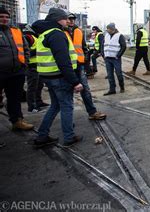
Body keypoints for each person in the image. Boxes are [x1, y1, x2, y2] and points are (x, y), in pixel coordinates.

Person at [32, 8, 83, 147]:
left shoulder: (44, 33)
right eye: (65, 18)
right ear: (57, 19)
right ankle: (69, 136)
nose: (68, 21)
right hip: (59, 77)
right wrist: (75, 82)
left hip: (48, 76)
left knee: (55, 106)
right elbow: (63, 60)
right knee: (67, 106)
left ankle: (42, 136)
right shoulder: (57, 34)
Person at [65, 14, 106, 120]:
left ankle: (92, 112)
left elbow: (83, 48)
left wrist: (86, 63)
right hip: (66, 66)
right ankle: (67, 122)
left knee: (85, 89)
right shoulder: (60, 31)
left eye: (73, 19)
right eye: (69, 19)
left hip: (79, 65)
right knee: (67, 93)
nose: (72, 21)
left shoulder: (78, 31)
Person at [0, 7, 34, 130]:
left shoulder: (15, 31)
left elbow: (25, 48)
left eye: (6, 17)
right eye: (1, 16)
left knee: (14, 98)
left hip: (16, 72)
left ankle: (17, 121)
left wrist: (24, 63)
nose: (4, 19)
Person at [22, 24, 48, 112]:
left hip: (38, 66)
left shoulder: (35, 37)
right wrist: (38, 51)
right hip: (32, 66)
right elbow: (25, 51)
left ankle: (38, 102)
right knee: (32, 87)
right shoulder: (28, 37)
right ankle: (32, 106)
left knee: (39, 85)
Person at [102, 23, 126, 95]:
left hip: (116, 58)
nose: (107, 30)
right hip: (107, 58)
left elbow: (123, 46)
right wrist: (103, 54)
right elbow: (103, 45)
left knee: (119, 73)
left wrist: (118, 55)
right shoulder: (106, 35)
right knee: (110, 75)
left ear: (112, 29)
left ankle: (122, 87)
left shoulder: (119, 36)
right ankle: (112, 89)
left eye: (108, 29)